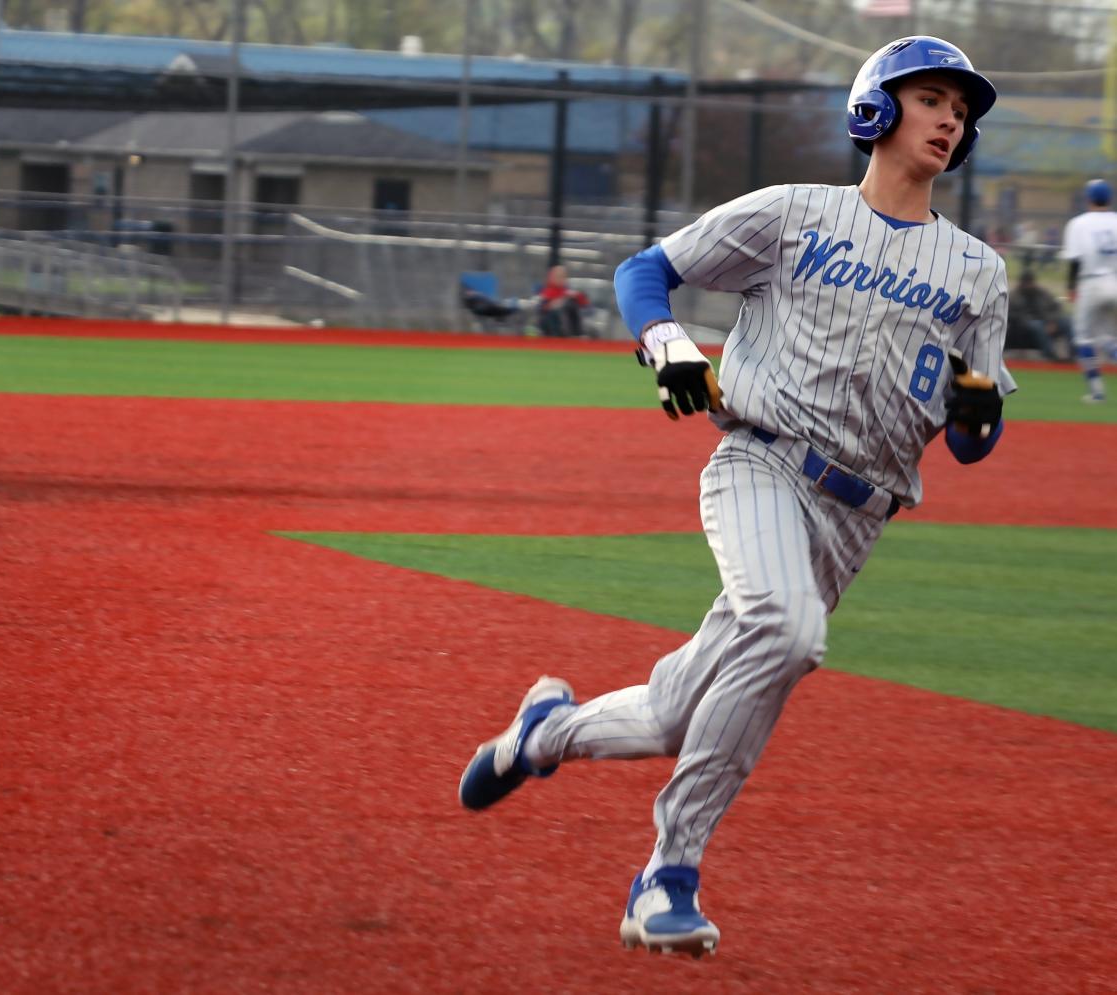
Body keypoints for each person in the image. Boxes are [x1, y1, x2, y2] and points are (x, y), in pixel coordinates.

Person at [458, 36, 1014, 958]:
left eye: (962, 106)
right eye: (931, 97)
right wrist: (670, 344)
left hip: (856, 517)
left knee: (677, 713)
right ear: (876, 108)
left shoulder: (978, 274)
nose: (952, 116)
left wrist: (976, 406)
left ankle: (545, 731)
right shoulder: (794, 213)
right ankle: (666, 874)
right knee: (790, 633)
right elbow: (645, 273)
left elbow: (971, 443)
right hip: (762, 460)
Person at [1059, 178, 1117, 402]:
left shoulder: (1079, 223)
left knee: (1084, 339)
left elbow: (1075, 261)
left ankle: (1097, 392)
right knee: (1107, 337)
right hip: (1115, 281)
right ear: (1109, 199)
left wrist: (1071, 288)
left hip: (1091, 283)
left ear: (1089, 198)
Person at [1006, 267, 1072, 362]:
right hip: (1025, 326)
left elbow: (1057, 308)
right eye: (1026, 283)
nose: (1029, 285)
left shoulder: (1043, 293)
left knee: (1067, 321)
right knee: (1037, 326)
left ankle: (1073, 353)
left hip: (1047, 321)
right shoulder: (1014, 296)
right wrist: (1028, 320)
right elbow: (1011, 315)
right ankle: (1051, 354)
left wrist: (1051, 321)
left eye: (1030, 282)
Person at [536, 263, 590, 337]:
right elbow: (542, 308)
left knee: (571, 305)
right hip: (551, 323)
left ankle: (578, 334)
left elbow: (585, 304)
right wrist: (556, 304)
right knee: (557, 312)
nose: (560, 279)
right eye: (557, 276)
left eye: (562, 276)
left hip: (569, 322)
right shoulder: (546, 292)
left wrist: (576, 297)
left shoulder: (569, 292)